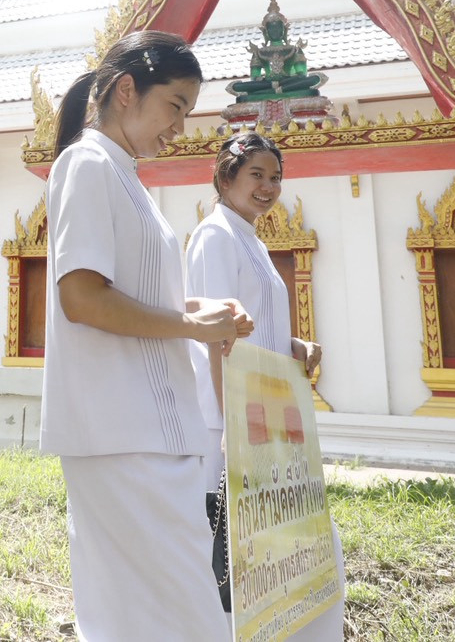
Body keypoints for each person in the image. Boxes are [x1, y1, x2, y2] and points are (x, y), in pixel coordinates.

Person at [40, 31, 253, 640]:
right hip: (120, 430)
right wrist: (191, 323)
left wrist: (200, 311)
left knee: (145, 615)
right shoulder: (86, 162)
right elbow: (82, 298)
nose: (180, 127)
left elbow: (132, 295)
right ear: (128, 90)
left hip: (152, 429)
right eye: (176, 106)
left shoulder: (124, 174)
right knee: (181, 616)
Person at [188, 131, 346, 638]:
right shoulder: (215, 236)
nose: (268, 186)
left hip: (267, 423)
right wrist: (230, 429)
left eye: (275, 177)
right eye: (256, 174)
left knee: (287, 554)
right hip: (231, 427)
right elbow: (215, 338)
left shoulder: (249, 238)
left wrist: (291, 345)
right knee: (236, 564)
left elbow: (250, 330)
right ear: (225, 176)